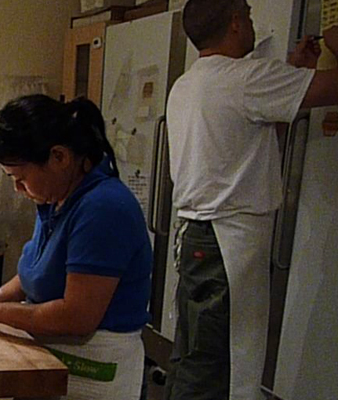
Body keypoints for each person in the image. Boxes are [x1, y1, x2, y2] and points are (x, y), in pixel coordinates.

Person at [164, 1, 338, 400]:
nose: (252, 22)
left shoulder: (187, 85)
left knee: (194, 359)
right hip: (226, 245)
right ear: (236, 23)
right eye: (248, 14)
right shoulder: (246, 77)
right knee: (217, 371)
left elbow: (254, 142)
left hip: (196, 239)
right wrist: (334, 38)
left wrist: (296, 71)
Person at [0, 94, 153, 400]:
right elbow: (37, 272)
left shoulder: (103, 208)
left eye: (21, 178)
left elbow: (77, 316)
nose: (18, 189)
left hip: (94, 363)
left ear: (59, 157)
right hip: (52, 352)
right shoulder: (57, 198)